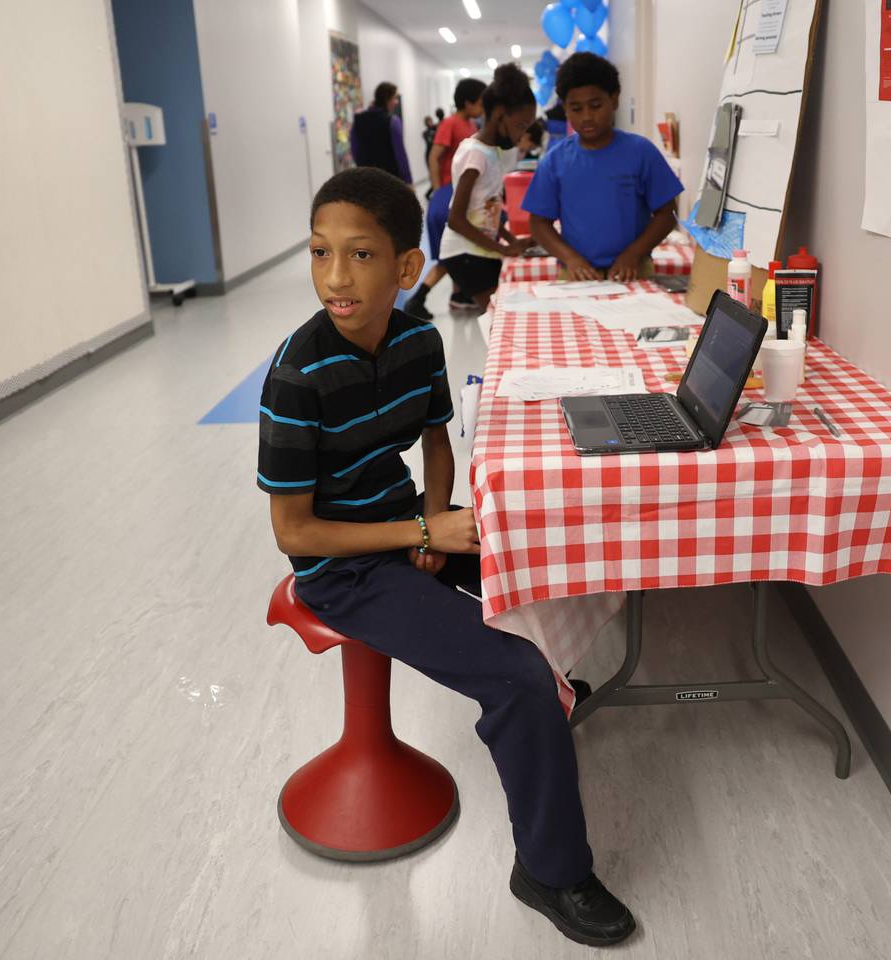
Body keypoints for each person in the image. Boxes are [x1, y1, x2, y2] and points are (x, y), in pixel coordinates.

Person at [257, 166, 636, 947]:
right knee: (513, 675)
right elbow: (295, 535)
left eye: (359, 255)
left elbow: (435, 436)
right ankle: (552, 871)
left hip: (403, 526)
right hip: (343, 571)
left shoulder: (418, 338)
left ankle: (552, 697)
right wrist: (419, 536)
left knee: (545, 555)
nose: (334, 276)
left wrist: (434, 512)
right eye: (320, 252)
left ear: (403, 268)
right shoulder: (298, 378)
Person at [523, 54, 683, 282]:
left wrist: (634, 254)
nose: (587, 117)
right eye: (576, 108)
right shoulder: (554, 161)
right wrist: (571, 259)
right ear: (565, 110)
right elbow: (538, 224)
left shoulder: (641, 152)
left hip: (634, 270)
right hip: (577, 273)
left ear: (614, 99)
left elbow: (668, 214)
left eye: (596, 105)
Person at [438, 64, 538, 312]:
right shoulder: (475, 155)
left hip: (478, 250)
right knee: (500, 316)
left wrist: (513, 240)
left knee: (502, 312)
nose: (520, 137)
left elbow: (487, 208)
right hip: (464, 254)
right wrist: (504, 249)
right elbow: (456, 219)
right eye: (521, 127)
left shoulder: (489, 151)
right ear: (500, 114)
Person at [404, 79, 488, 320]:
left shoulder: (470, 124)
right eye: (480, 101)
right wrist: (439, 188)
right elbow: (434, 156)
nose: (483, 106)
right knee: (450, 253)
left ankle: (459, 296)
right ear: (468, 101)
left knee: (456, 249)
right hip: (447, 194)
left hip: (459, 193)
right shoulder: (450, 124)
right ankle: (418, 298)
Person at [350, 82, 411, 184]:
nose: (396, 102)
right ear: (387, 99)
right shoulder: (393, 121)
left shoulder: (358, 121)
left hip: (366, 179)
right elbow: (400, 154)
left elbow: (355, 151)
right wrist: (408, 181)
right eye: (395, 98)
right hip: (391, 180)